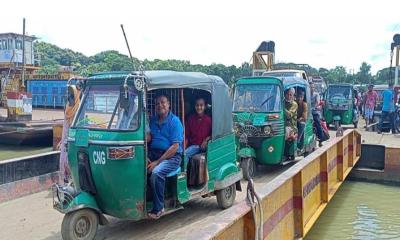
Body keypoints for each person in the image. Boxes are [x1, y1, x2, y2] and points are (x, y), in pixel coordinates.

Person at [147, 94, 184, 219]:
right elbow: (148, 138)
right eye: (157, 103)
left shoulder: (175, 121)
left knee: (156, 173)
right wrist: (145, 156)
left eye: (163, 102)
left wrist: (157, 162)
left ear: (169, 104)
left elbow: (174, 147)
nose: (160, 105)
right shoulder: (153, 120)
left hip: (172, 157)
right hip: (154, 153)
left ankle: (159, 207)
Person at [59, 85, 80, 183]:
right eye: (68, 95)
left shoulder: (78, 109)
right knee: (64, 160)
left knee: (70, 161)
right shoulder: (68, 107)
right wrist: (62, 140)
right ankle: (66, 179)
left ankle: (73, 181)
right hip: (66, 139)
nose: (69, 97)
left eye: (71, 95)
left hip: (73, 139)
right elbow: (65, 127)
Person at [185, 97, 212, 165]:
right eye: (197, 105)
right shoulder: (190, 119)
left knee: (186, 154)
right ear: (194, 106)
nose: (199, 107)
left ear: (205, 107)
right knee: (184, 154)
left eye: (201, 105)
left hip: (204, 147)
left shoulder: (209, 120)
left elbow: (213, 134)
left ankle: (183, 174)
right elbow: (186, 135)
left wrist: (206, 140)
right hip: (194, 146)